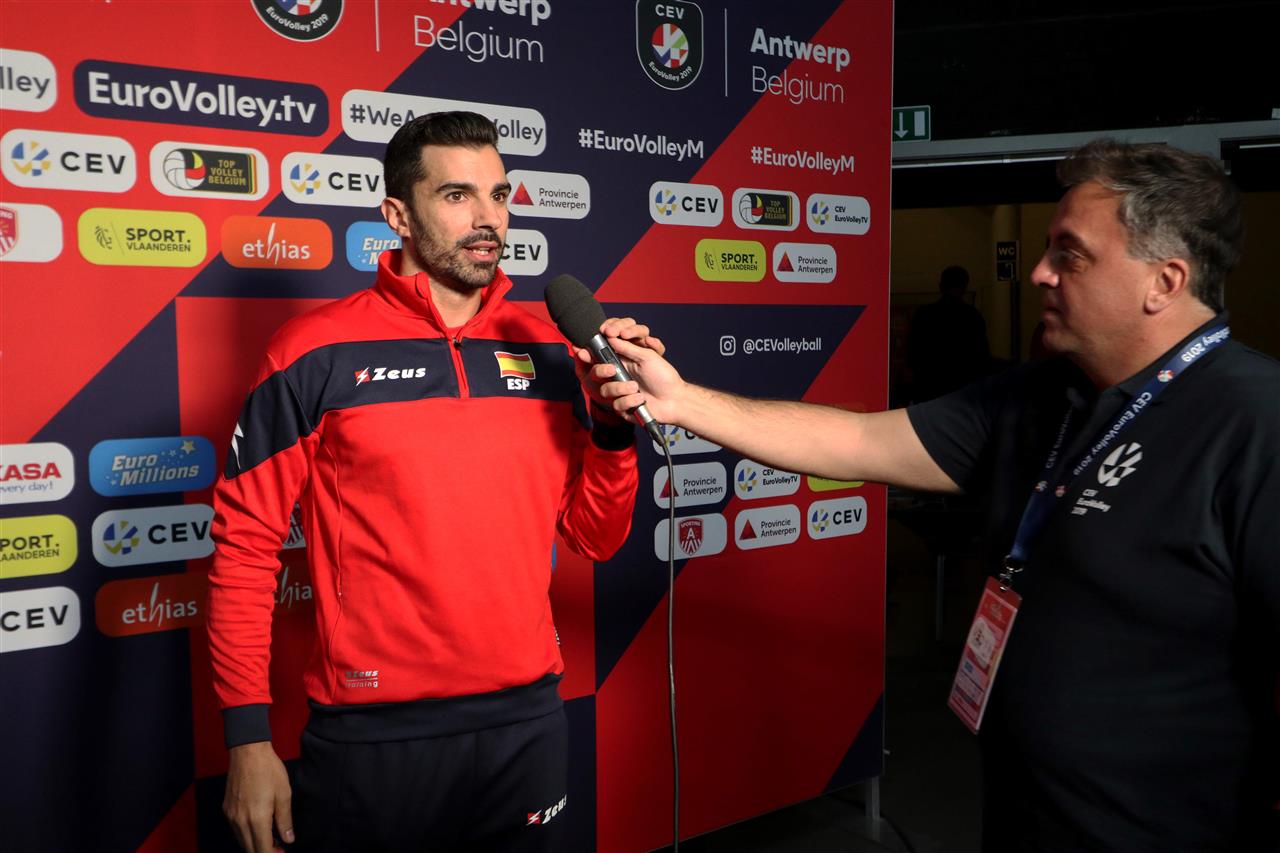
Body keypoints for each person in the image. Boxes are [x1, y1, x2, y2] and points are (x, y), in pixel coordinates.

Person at [592, 139, 1279, 850]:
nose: (1040, 271)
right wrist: (681, 400)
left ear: (1164, 281)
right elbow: (858, 442)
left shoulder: (1255, 422)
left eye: (1070, 255)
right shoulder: (1039, 395)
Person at [208, 111, 640, 853]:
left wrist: (611, 429)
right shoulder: (311, 351)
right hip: (373, 735)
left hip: (528, 723)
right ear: (397, 215)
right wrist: (247, 737)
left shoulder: (551, 346)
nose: (487, 219)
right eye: (457, 196)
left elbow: (595, 536)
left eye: (498, 195)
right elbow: (245, 548)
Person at [905, 264, 991, 402]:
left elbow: (913, 351)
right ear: (964, 286)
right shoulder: (972, 316)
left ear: (941, 286)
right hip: (962, 389)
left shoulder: (924, 314)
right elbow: (981, 355)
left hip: (929, 387)